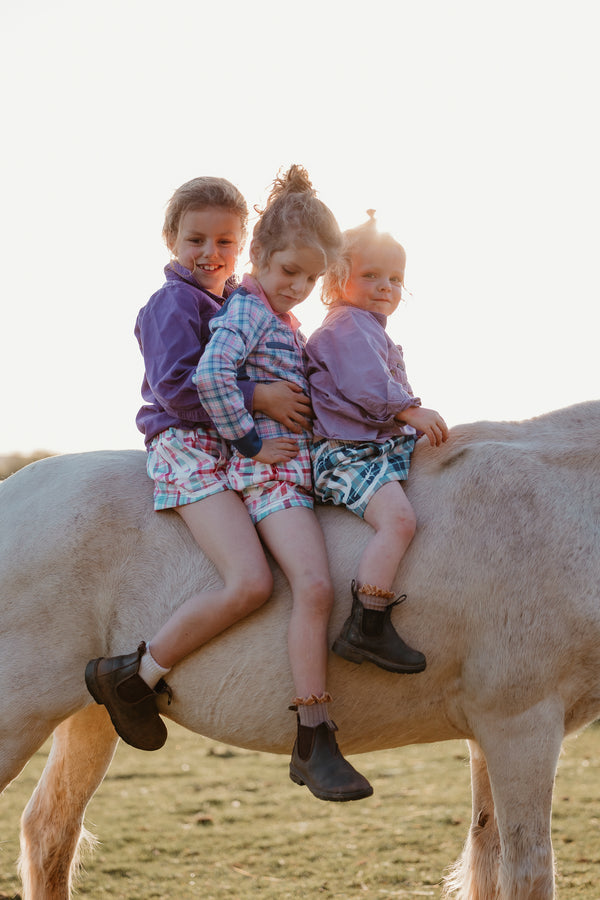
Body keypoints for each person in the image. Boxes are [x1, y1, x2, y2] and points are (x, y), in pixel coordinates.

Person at [85, 176, 312, 753]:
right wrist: (259, 397)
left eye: (225, 242)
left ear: (243, 248)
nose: (210, 254)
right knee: (251, 581)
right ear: (171, 240)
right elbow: (177, 390)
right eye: (196, 240)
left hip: (225, 448)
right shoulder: (172, 303)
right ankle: (135, 675)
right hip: (185, 447)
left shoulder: (239, 304)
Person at [193, 165, 373, 802]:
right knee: (316, 585)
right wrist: (248, 439)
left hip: (299, 474)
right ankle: (314, 734)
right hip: (270, 479)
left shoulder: (281, 318)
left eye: (310, 278)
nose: (298, 287)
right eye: (288, 271)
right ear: (261, 257)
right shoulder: (247, 310)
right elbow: (210, 377)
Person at [305, 212, 449, 675]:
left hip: (371, 445)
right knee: (399, 520)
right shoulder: (345, 326)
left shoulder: (367, 325)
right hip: (344, 453)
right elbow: (365, 383)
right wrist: (409, 410)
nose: (386, 286)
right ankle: (367, 623)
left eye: (395, 279)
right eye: (370, 276)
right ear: (337, 279)